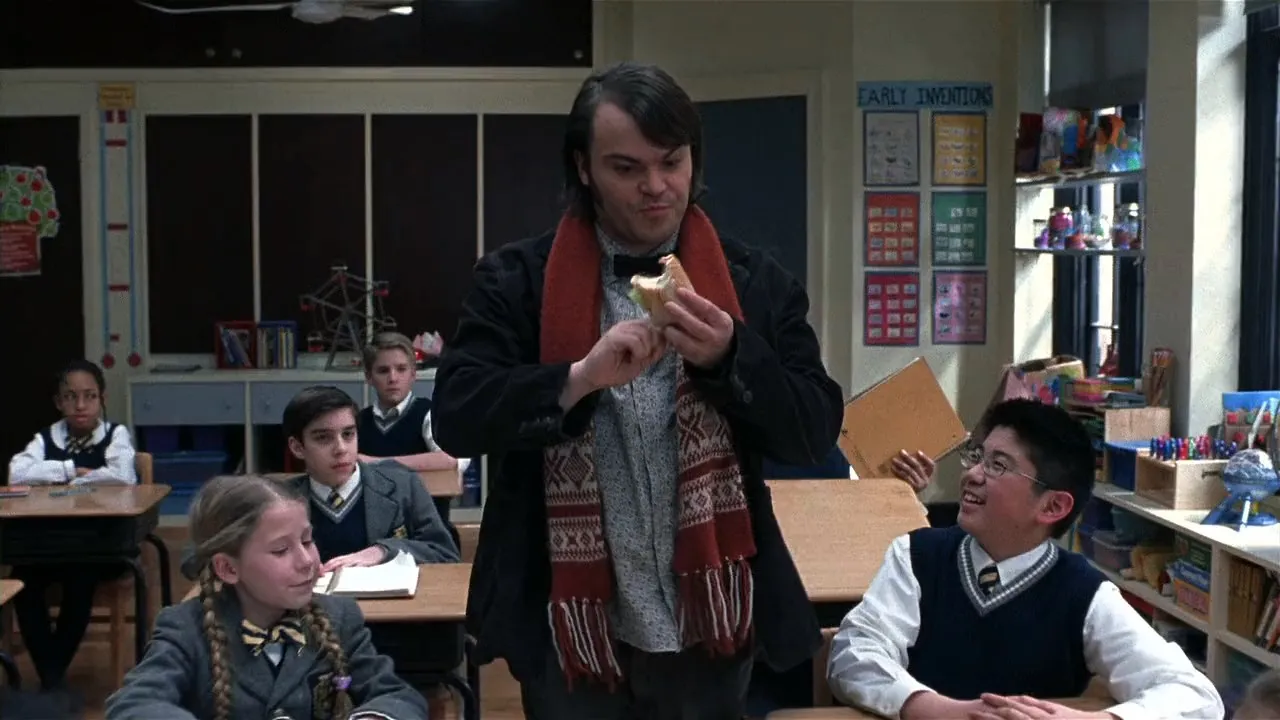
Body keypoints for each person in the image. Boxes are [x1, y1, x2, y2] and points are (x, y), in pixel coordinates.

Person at [430, 61, 844, 719]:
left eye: (671, 162)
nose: (656, 186)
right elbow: (457, 416)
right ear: (584, 167)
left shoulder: (754, 282)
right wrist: (577, 379)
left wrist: (732, 358)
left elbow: (813, 429)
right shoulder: (516, 280)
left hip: (712, 618)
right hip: (567, 620)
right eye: (627, 168)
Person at [826, 399, 1224, 720]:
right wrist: (934, 709)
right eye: (977, 456)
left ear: (1052, 506)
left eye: (997, 465)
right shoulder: (916, 555)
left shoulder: (1083, 592)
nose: (973, 474)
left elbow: (1198, 697)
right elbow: (853, 654)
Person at [105, 474, 429, 720]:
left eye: (307, 540)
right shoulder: (185, 629)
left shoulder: (340, 617)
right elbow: (133, 704)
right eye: (281, 550)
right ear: (228, 568)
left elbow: (398, 697)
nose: (306, 561)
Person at [179, 386, 458, 580]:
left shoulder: (402, 485)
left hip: (392, 624)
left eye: (348, 434)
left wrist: (384, 551)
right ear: (297, 447)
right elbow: (195, 560)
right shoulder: (274, 498)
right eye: (323, 438)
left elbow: (445, 553)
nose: (341, 449)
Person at [7, 359, 137, 690]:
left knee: (81, 580)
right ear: (58, 402)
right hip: (47, 544)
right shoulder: (45, 438)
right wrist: (72, 471)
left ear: (102, 399)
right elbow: (17, 473)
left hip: (97, 545)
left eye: (89, 396)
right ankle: (52, 677)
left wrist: (55, 475)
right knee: (23, 581)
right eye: (71, 397)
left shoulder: (115, 435)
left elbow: (122, 476)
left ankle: (50, 679)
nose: (80, 405)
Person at [357, 331, 469, 544]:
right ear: (369, 377)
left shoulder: (430, 413)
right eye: (383, 370)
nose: (393, 378)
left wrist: (376, 463)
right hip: (375, 537)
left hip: (427, 534)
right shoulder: (358, 422)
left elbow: (451, 457)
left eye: (401, 369)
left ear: (413, 374)